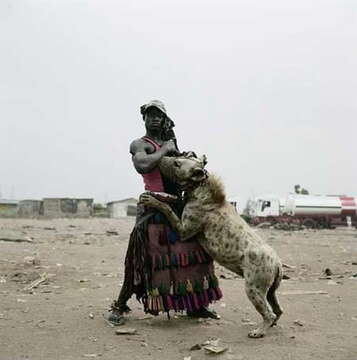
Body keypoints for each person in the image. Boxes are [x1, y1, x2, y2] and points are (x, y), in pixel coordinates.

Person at [107, 100, 222, 325]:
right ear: (144, 119)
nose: (155, 119)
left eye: (159, 115)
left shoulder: (170, 142)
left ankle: (196, 306)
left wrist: (186, 157)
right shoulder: (140, 144)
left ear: (165, 119)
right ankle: (120, 306)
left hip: (177, 207)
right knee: (140, 261)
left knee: (194, 255)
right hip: (152, 207)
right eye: (150, 115)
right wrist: (166, 150)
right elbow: (142, 165)